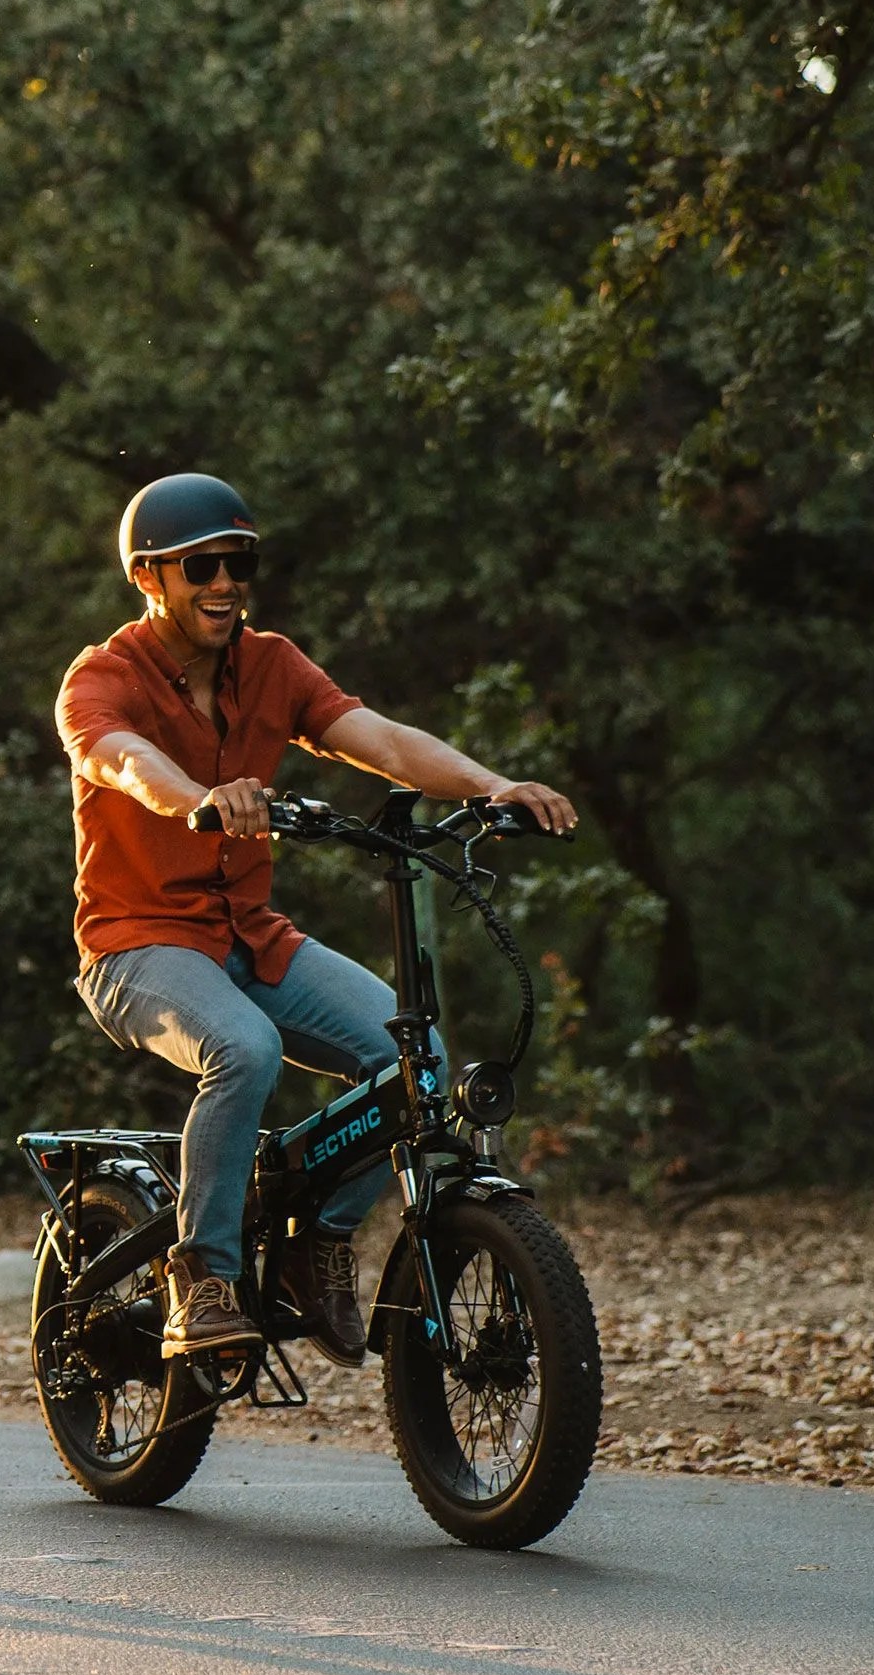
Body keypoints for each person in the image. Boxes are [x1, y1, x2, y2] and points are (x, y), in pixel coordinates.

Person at [55, 472, 578, 1365]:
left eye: (240, 562)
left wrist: (494, 786)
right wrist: (197, 800)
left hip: (249, 938)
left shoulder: (272, 665)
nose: (225, 583)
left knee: (410, 1059)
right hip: (136, 948)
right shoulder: (101, 678)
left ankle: (317, 1241)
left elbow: (380, 739)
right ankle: (205, 1277)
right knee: (246, 1048)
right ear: (149, 578)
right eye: (201, 567)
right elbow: (125, 762)